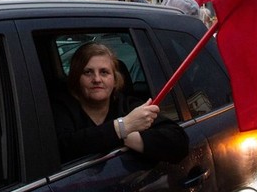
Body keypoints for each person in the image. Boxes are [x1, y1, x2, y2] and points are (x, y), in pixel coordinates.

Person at [51, 42, 188, 163]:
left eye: (104, 72)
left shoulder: (127, 105)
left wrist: (124, 136)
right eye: (88, 72)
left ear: (115, 80)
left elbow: (179, 143)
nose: (97, 79)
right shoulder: (61, 108)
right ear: (76, 78)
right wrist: (123, 126)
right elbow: (62, 148)